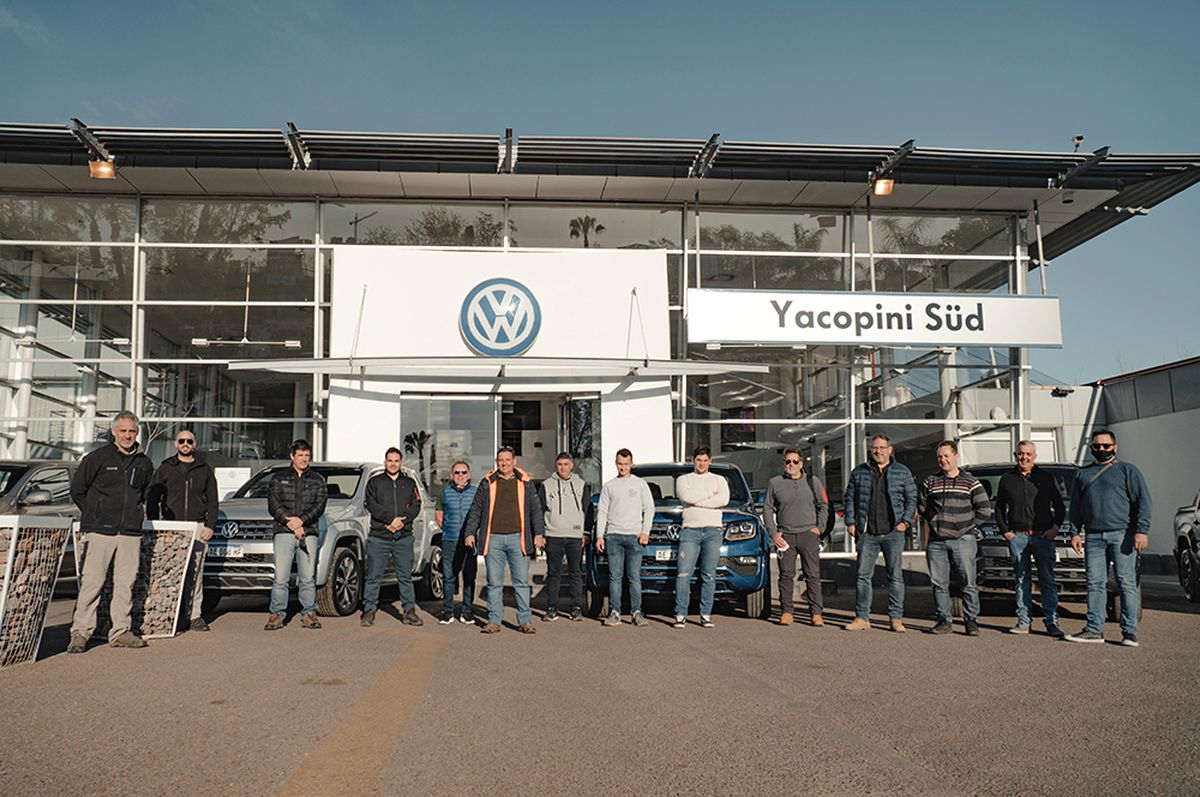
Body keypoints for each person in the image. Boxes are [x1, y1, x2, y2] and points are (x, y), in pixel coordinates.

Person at [67, 411, 155, 653]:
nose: (128, 435)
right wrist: (95, 514)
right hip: (100, 532)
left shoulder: (144, 462)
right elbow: (78, 489)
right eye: (123, 431)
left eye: (132, 431)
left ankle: (120, 631)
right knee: (92, 583)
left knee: (125, 584)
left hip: (129, 533)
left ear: (137, 433)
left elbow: (144, 493)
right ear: (114, 432)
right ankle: (80, 632)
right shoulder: (97, 458)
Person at [1066, 429, 1151, 647]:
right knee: (1095, 583)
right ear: (1091, 448)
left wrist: (1141, 530)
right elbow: (1076, 507)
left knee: (1126, 583)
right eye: (1097, 446)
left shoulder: (1127, 470)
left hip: (1122, 535)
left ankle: (1130, 632)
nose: (1101, 449)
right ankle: (1094, 630)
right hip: (1093, 537)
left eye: (1106, 446)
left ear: (1115, 447)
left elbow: (1142, 501)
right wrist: (1075, 532)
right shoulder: (1082, 474)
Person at [463, 447, 545, 635]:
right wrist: (470, 532)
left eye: (507, 459)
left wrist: (538, 533)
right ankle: (494, 620)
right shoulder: (487, 483)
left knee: (521, 582)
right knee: (494, 582)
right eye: (500, 460)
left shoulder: (525, 482)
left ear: (514, 461)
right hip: (494, 539)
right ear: (496, 461)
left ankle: (525, 620)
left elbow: (535, 509)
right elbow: (476, 509)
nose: (504, 463)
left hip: (519, 538)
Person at [146, 426, 219, 633]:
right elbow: (153, 498)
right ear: (175, 444)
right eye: (181, 441)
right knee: (171, 574)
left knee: (195, 574)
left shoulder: (204, 469)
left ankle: (195, 615)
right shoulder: (166, 467)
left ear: (194, 445)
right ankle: (174, 616)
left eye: (189, 441)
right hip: (172, 528)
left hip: (197, 527)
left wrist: (210, 526)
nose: (185, 445)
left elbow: (213, 501)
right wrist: (156, 525)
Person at [843, 434, 917, 633]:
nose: (878, 451)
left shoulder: (902, 472)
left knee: (895, 577)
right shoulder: (859, 472)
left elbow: (912, 499)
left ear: (890, 449)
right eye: (875, 447)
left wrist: (905, 522)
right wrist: (850, 522)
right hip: (868, 533)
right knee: (862, 576)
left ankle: (895, 618)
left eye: (882, 447)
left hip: (894, 531)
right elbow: (849, 498)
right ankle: (862, 618)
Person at [994, 440, 1066, 637]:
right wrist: (1006, 532)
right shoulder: (1007, 479)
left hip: (1043, 536)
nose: (1023, 457)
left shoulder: (1045, 478)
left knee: (1047, 581)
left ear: (1034, 456)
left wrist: (1055, 528)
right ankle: (1024, 622)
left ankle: (1052, 622)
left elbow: (1059, 507)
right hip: (1018, 537)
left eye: (1027, 454)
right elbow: (999, 508)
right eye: (1020, 454)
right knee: (1021, 580)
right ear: (1015, 455)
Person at [920, 440, 992, 636]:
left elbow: (985, 509)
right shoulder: (930, 482)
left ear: (956, 456)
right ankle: (944, 620)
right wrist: (933, 521)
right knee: (938, 583)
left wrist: (967, 525)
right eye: (940, 457)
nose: (943, 460)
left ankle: (971, 621)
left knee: (968, 582)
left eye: (946, 456)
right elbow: (922, 507)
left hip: (963, 540)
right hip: (936, 541)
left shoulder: (970, 482)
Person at [264, 439, 326, 631]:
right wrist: (290, 521)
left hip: (308, 532)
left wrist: (302, 521)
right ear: (292, 456)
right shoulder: (279, 478)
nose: (304, 459)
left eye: (307, 455)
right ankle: (276, 615)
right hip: (284, 531)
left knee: (308, 577)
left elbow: (319, 506)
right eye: (300, 455)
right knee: (281, 577)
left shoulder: (317, 480)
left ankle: (309, 614)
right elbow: (273, 504)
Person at [763, 449, 829, 627]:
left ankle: (816, 613)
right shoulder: (775, 483)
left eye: (794, 462)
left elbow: (824, 505)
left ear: (801, 463)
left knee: (813, 575)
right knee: (786, 576)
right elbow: (767, 508)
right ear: (783, 463)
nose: (791, 465)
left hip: (809, 535)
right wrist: (774, 532)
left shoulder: (812, 481)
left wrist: (819, 528)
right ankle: (787, 612)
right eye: (787, 462)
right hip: (786, 536)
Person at [361, 447, 423, 628]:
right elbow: (371, 504)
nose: (393, 463)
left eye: (396, 460)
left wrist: (402, 521)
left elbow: (416, 505)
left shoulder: (409, 483)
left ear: (401, 462)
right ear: (385, 461)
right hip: (380, 536)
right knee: (374, 576)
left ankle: (409, 612)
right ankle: (369, 611)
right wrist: (390, 520)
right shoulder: (375, 482)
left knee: (405, 577)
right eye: (390, 460)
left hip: (403, 537)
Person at [595, 448, 654, 627]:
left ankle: (637, 612)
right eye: (620, 464)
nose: (623, 467)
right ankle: (615, 612)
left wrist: (645, 531)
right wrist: (600, 536)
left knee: (634, 576)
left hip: (635, 537)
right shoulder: (609, 486)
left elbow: (649, 509)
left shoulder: (640, 484)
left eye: (626, 464)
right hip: (613, 536)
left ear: (631, 464)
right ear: (616, 463)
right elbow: (602, 512)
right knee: (615, 577)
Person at [673, 446, 730, 629]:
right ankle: (681, 614)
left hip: (713, 531)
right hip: (690, 530)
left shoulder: (719, 479)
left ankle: (705, 614)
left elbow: (724, 499)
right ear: (693, 460)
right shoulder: (684, 479)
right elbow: (685, 495)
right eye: (699, 460)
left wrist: (696, 502)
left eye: (705, 460)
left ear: (710, 461)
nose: (702, 464)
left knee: (708, 574)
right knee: (683, 574)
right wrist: (710, 496)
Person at [537, 452, 592, 622]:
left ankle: (576, 608)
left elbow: (588, 510)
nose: (563, 467)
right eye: (560, 464)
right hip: (553, 535)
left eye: (566, 464)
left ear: (571, 465)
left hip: (575, 536)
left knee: (576, 573)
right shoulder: (547, 485)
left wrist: (586, 532)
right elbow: (539, 511)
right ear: (556, 465)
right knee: (554, 573)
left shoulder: (581, 484)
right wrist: (540, 533)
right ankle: (552, 608)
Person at [436, 460, 479, 625]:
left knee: (469, 576)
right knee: (448, 576)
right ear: (451, 475)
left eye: (463, 472)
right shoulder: (444, 493)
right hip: (450, 540)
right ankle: (447, 612)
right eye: (457, 472)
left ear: (469, 475)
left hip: (469, 542)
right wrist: (450, 530)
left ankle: (467, 612)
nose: (460, 475)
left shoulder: (476, 493)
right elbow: (439, 516)